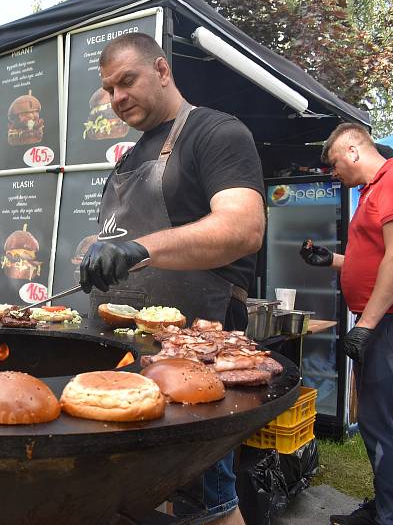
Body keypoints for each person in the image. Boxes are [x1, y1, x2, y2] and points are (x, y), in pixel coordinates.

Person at [79, 33, 265, 524]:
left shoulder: (215, 132)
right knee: (138, 492)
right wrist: (95, 253)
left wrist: (141, 249)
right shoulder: (128, 156)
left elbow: (244, 228)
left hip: (192, 354)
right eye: (109, 89)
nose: (117, 98)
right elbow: (118, 235)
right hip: (125, 350)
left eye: (127, 81)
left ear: (162, 70)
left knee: (210, 500)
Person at [300, 123, 393, 525]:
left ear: (352, 151)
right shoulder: (370, 192)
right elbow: (376, 259)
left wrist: (364, 325)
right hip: (380, 321)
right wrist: (330, 260)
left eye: (333, 164)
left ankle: (391, 519)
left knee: (385, 424)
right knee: (375, 420)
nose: (333, 174)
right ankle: (385, 508)